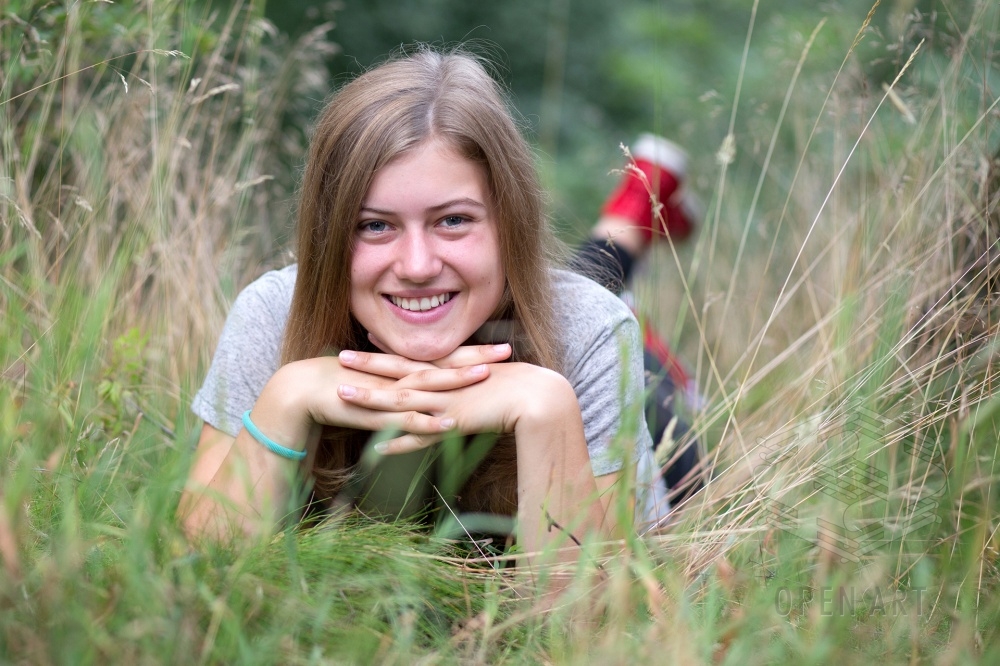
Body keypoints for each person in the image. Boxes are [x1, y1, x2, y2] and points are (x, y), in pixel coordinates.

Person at [177, 47, 669, 567]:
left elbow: (584, 610)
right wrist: (288, 396)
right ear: (328, 236)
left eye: (453, 220)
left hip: (655, 409)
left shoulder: (592, 330)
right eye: (374, 225)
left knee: (605, 286)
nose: (416, 266)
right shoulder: (272, 312)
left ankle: (644, 197)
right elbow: (195, 568)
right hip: (488, 298)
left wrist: (547, 411)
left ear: (510, 223)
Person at [571, 135, 705, 503]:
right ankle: (637, 209)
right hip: (666, 484)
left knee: (560, 311)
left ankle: (637, 208)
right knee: (576, 312)